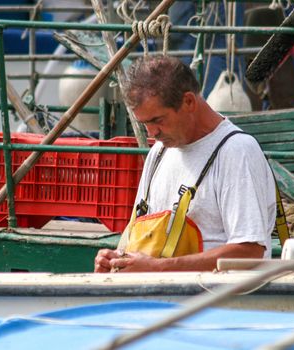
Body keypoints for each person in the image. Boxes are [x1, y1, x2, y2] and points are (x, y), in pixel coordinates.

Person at [94, 56, 275, 273]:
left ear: (189, 101)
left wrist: (158, 268)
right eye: (145, 124)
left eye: (157, 120)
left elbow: (250, 251)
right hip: (162, 297)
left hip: (217, 300)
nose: (152, 133)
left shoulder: (236, 151)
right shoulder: (158, 152)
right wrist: (116, 260)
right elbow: (141, 240)